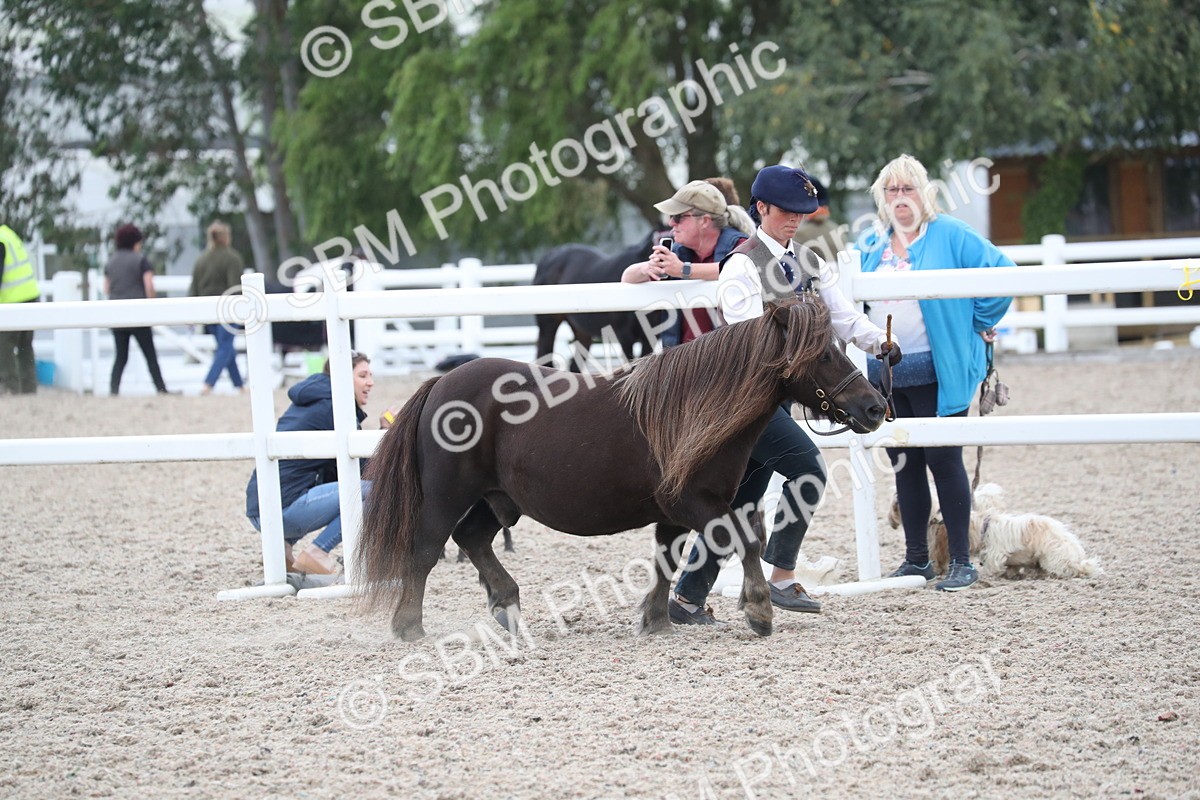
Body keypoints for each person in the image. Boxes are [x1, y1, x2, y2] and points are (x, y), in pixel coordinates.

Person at [668, 164, 902, 625]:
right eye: (787, 211)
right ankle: (781, 576)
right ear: (761, 208)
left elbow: (844, 318)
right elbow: (746, 337)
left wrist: (880, 341)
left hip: (775, 400)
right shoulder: (742, 265)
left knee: (740, 503)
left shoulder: (810, 263)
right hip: (742, 400)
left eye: (802, 212)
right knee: (808, 469)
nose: (796, 219)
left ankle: (687, 599)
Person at [855, 154, 1013, 591]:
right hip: (887, 375)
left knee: (944, 460)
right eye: (892, 190)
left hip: (938, 370)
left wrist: (977, 321)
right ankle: (916, 559)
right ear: (881, 197)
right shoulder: (871, 244)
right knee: (904, 463)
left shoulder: (951, 234)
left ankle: (961, 560)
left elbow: (1002, 272)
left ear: (925, 193)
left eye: (908, 188)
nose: (900, 197)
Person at [245, 351, 388, 575]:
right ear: (342, 377)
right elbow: (363, 472)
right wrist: (385, 434)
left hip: (260, 509)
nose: (370, 382)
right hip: (283, 511)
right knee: (378, 491)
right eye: (362, 375)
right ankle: (318, 551)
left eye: (370, 375)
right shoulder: (336, 408)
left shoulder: (313, 400)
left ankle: (283, 549)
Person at [621, 179, 755, 345]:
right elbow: (627, 277)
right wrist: (649, 268)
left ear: (704, 221)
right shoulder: (678, 253)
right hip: (683, 359)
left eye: (678, 217)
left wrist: (683, 270)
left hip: (726, 357)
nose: (671, 222)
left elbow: (743, 268)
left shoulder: (741, 245)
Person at [104, 224, 170, 396]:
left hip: (117, 315)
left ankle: (113, 390)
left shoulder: (111, 261)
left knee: (121, 356)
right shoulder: (140, 260)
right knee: (150, 355)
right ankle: (161, 389)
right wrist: (152, 304)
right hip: (138, 314)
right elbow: (149, 285)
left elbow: (106, 288)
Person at [189, 221, 246, 395]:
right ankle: (209, 383)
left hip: (207, 310)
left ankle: (239, 386)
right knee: (225, 347)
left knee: (225, 346)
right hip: (227, 309)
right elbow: (235, 287)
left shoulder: (201, 259)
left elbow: (194, 288)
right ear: (226, 237)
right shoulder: (232, 258)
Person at [0, 223, 39, 394]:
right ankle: (29, 387)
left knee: (3, 345)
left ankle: (10, 387)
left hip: (13, 300)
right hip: (30, 295)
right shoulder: (8, 234)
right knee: (25, 345)